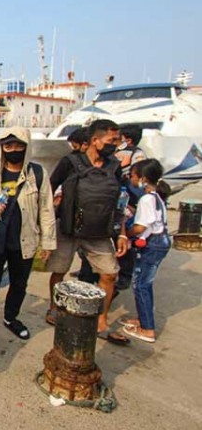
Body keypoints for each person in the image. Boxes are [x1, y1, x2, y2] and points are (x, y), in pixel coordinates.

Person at [0, 128, 56, 355]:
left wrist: (47, 243)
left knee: (19, 284)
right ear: (2, 148)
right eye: (8, 146)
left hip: (24, 241)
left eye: (19, 146)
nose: (14, 150)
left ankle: (11, 317)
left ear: (26, 147)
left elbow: (46, 209)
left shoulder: (38, 174)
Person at [46, 119, 130, 344]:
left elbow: (120, 201)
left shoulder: (114, 166)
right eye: (112, 140)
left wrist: (121, 232)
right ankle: (54, 307)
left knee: (109, 274)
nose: (116, 144)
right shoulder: (70, 162)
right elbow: (50, 187)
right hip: (69, 228)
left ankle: (101, 320)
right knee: (59, 270)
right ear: (95, 140)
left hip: (100, 232)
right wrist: (48, 221)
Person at [122, 159, 171, 343]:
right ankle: (144, 319)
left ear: (142, 178)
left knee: (140, 284)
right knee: (145, 283)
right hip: (161, 240)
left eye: (133, 176)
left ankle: (147, 328)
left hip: (153, 243)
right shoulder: (157, 196)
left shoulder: (146, 199)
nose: (131, 179)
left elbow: (140, 227)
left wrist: (126, 234)